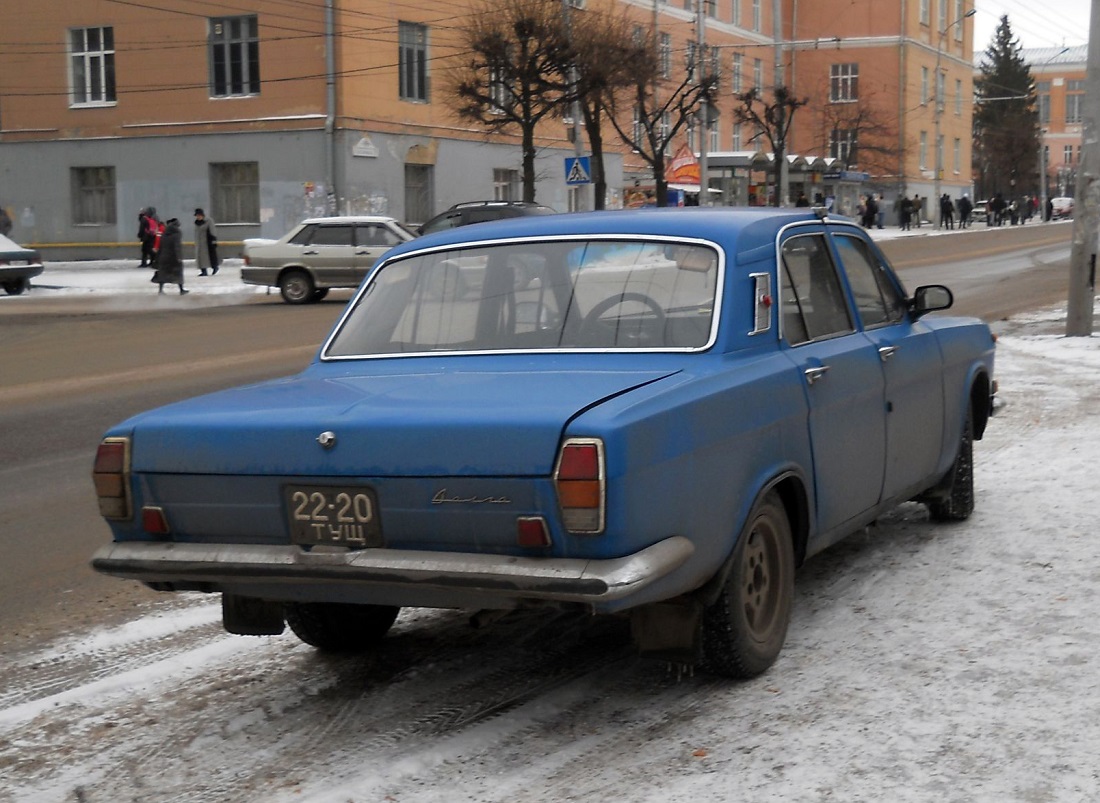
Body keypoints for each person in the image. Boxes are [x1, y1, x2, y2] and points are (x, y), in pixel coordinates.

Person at [151, 218, 188, 295]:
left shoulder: (164, 233)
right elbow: (177, 246)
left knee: (163, 274)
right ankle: (181, 290)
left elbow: (160, 246)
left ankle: (160, 290)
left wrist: (157, 258)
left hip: (164, 257)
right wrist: (179, 257)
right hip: (173, 257)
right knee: (178, 273)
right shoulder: (177, 234)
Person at [193, 208, 220, 276]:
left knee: (210, 256)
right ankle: (203, 271)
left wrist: (213, 239)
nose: (198, 217)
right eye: (197, 216)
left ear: (202, 215)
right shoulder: (196, 223)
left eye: (199, 215)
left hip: (207, 242)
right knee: (200, 258)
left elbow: (212, 230)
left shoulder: (208, 221)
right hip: (199, 243)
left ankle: (215, 267)